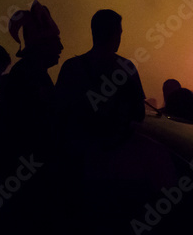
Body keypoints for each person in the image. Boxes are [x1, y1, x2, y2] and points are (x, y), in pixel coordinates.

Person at [55, 9, 145, 151]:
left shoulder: (71, 67)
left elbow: (59, 113)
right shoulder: (126, 68)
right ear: (115, 34)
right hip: (115, 153)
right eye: (119, 33)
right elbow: (139, 114)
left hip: (76, 153)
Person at [0, 0, 63, 151]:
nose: (61, 47)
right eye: (55, 42)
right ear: (42, 45)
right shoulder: (28, 75)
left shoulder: (29, 72)